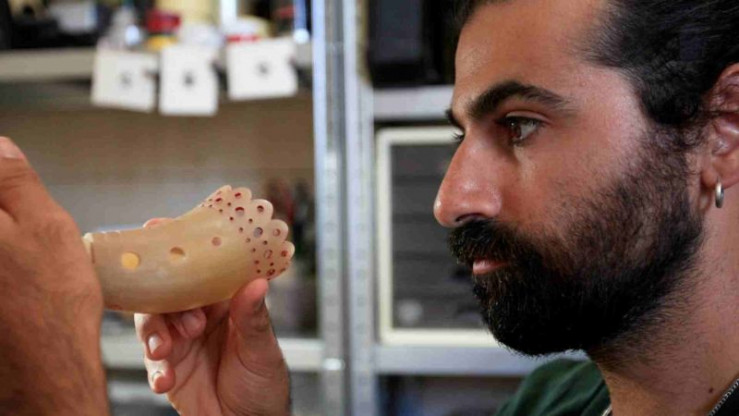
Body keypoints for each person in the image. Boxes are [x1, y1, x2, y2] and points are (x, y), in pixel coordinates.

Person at [1, 0, 739, 415]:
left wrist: (56, 392)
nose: (450, 200)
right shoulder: (551, 404)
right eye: (460, 135)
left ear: (723, 128)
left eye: (518, 125)